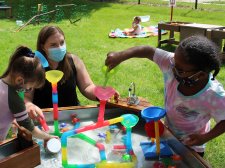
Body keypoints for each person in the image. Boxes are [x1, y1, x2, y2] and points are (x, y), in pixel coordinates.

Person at [105, 35, 225, 157]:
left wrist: (205, 137)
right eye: (173, 61)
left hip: (192, 146)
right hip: (169, 134)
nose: (172, 68)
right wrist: (120, 56)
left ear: (200, 75)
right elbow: (148, 50)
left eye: (180, 69)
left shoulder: (213, 94)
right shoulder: (172, 63)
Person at [25, 25, 118, 117]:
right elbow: (26, 96)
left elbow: (87, 86)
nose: (59, 47)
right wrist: (28, 105)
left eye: (62, 42)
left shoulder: (74, 60)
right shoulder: (34, 66)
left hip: (72, 116)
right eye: (53, 45)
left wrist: (101, 93)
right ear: (43, 47)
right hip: (43, 118)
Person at [0, 46, 56, 142]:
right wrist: (48, 137)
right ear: (19, 80)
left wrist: (12, 118)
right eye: (28, 88)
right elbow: (30, 128)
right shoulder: (14, 98)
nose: (27, 91)